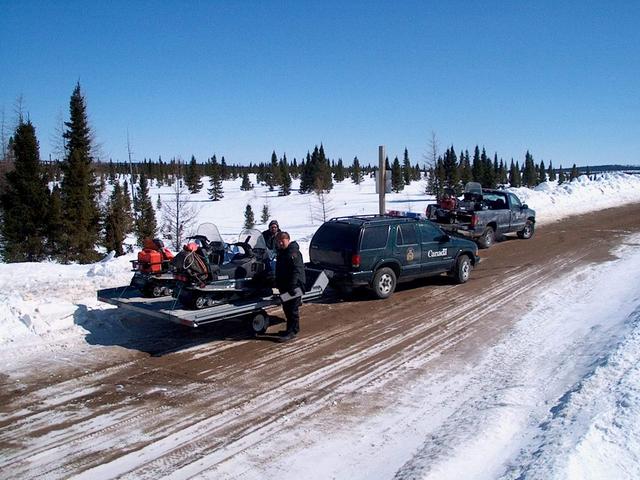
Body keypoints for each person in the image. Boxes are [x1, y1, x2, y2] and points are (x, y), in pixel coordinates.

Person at [275, 231, 306, 342]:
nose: (281, 243)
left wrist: (293, 285)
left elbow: (296, 270)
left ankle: (292, 332)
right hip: (285, 286)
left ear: (288, 240)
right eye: (279, 241)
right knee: (287, 308)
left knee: (292, 309)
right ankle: (292, 329)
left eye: (282, 241)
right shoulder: (282, 252)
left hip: (294, 287)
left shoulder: (292, 252)